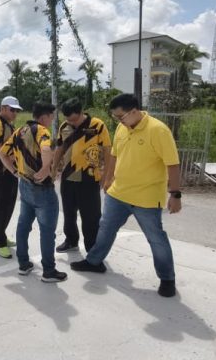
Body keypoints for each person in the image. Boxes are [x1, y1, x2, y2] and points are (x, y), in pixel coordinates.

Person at [71, 93, 182, 298]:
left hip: (146, 198)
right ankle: (94, 262)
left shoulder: (158, 130)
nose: (118, 120)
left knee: (156, 238)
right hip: (118, 193)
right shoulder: (123, 128)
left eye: (120, 116)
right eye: (115, 117)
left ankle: (167, 279)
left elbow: (172, 164)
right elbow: (114, 154)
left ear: (134, 111)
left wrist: (175, 194)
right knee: (106, 227)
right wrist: (108, 178)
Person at [0, 102, 67, 283]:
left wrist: (14, 171)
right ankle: (49, 271)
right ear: (45, 116)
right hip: (42, 189)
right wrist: (45, 169)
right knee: (47, 231)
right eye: (52, 117)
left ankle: (23, 264)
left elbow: (2, 153)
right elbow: (46, 148)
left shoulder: (19, 131)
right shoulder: (42, 131)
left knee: (23, 226)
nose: (52, 120)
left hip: (24, 185)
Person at [53, 97, 112, 253]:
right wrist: (53, 169)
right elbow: (59, 149)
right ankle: (71, 241)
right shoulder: (64, 126)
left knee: (91, 217)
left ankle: (92, 248)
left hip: (90, 179)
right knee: (68, 213)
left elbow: (107, 151)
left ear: (81, 112)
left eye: (74, 119)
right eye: (68, 120)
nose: (71, 123)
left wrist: (107, 176)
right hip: (68, 177)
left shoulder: (97, 125)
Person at [0, 96, 22, 259]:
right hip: (1, 172)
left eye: (16, 110)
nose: (15, 113)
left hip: (8, 170)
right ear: (3, 108)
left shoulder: (8, 124)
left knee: (7, 206)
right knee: (2, 206)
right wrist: (13, 157)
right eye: (12, 110)